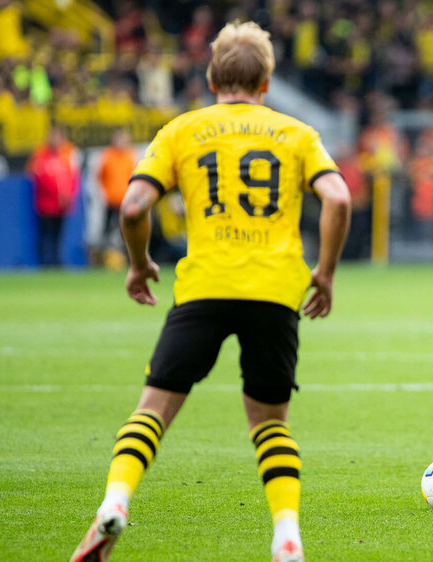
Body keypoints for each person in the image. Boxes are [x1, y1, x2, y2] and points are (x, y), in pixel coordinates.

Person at [71, 21, 351, 562]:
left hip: (203, 289)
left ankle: (115, 503)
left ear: (209, 76)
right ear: (266, 81)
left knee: (153, 409)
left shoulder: (181, 130)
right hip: (275, 291)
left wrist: (137, 265)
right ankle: (286, 535)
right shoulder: (296, 134)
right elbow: (337, 198)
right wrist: (326, 272)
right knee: (269, 423)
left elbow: (132, 208)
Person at [28, 126, 80, 267]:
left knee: (58, 235)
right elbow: (41, 179)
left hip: (61, 205)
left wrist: (68, 196)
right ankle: (44, 262)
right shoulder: (41, 156)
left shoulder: (65, 157)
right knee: (45, 235)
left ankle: (57, 261)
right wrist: (58, 195)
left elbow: (72, 179)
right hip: (46, 204)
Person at [96, 127, 137, 264]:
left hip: (125, 201)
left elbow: (134, 177)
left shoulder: (130, 156)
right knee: (106, 232)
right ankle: (103, 261)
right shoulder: (107, 156)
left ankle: (129, 260)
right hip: (110, 202)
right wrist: (104, 195)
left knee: (127, 232)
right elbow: (99, 178)